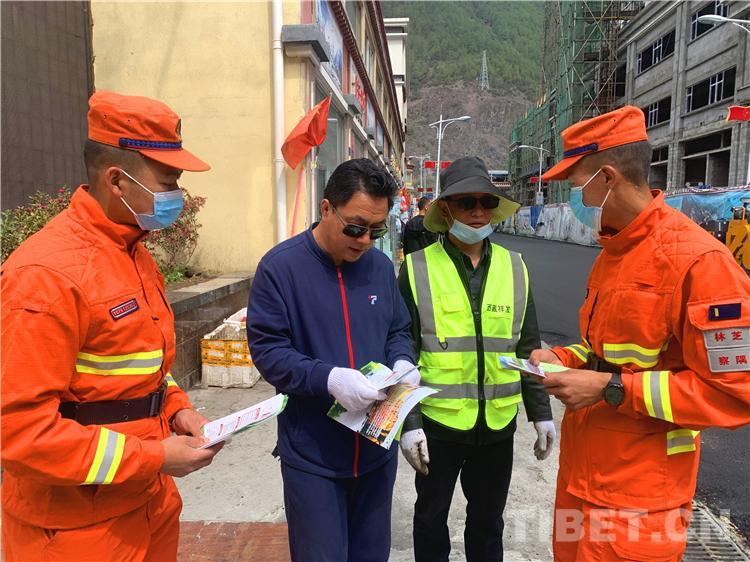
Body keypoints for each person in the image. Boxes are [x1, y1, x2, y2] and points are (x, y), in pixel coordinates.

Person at [1, 90, 224, 561]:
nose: (177, 196)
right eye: (168, 182)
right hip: (75, 530)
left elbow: (142, 366)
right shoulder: (46, 276)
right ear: (117, 180)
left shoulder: (133, 253)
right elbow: (20, 433)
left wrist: (179, 411)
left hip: (146, 503)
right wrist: (156, 456)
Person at [529, 105, 750, 561]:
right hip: (583, 479)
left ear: (607, 178)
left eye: (576, 186)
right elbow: (607, 351)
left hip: (640, 501)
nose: (576, 201)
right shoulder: (615, 251)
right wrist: (565, 360)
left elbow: (735, 392)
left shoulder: (700, 264)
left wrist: (610, 389)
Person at [247, 158, 417, 562]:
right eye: (355, 227)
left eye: (377, 230)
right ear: (326, 208)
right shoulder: (280, 269)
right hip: (313, 456)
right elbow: (268, 351)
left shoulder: (379, 267)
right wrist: (328, 379)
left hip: (377, 450)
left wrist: (402, 361)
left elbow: (398, 329)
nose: (365, 240)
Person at [397, 156, 556, 562]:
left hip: (498, 426)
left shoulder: (515, 266)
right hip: (439, 424)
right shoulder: (416, 269)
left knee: (488, 523)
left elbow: (527, 346)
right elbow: (402, 352)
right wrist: (409, 425)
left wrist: (541, 412)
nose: (479, 211)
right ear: (446, 209)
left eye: (487, 201)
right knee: (430, 518)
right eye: (467, 202)